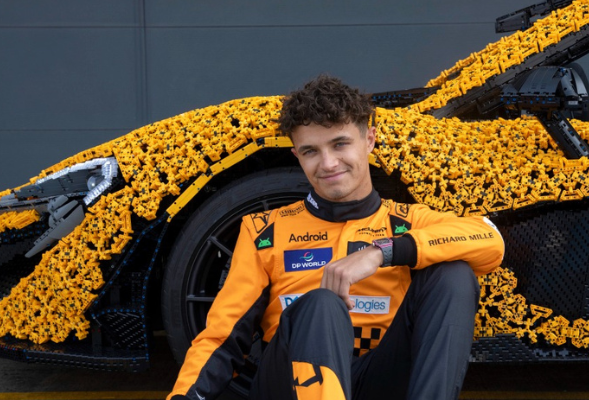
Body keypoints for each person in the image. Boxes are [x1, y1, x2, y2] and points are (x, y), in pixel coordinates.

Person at [167, 75, 505, 400]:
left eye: (340, 144)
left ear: (369, 140)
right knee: (320, 303)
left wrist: (381, 252)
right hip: (289, 385)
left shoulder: (407, 220)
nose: (328, 163)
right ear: (297, 156)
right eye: (311, 151)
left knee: (453, 275)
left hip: (380, 377)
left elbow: (489, 239)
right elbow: (221, 337)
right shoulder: (264, 230)